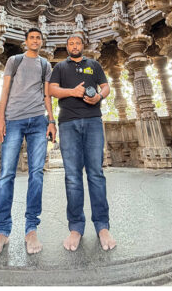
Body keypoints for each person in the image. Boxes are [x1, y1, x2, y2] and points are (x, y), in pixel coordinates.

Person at [0, 27, 56, 257]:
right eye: (32, 38)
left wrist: (51, 121)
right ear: (26, 42)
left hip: (38, 121)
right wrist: (0, 119)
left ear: (41, 42)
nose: (35, 41)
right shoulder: (14, 61)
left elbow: (47, 95)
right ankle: (3, 231)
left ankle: (31, 229)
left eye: (38, 38)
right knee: (6, 173)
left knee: (37, 173)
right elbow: (4, 90)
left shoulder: (46, 65)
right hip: (13, 120)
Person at [48, 34, 116, 251]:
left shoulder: (93, 65)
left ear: (82, 46)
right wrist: (72, 92)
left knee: (96, 173)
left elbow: (105, 87)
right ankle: (76, 227)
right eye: (71, 44)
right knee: (72, 176)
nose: (74, 46)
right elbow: (51, 90)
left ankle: (102, 226)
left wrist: (99, 97)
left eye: (77, 43)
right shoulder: (59, 67)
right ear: (67, 47)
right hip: (68, 123)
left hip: (93, 121)